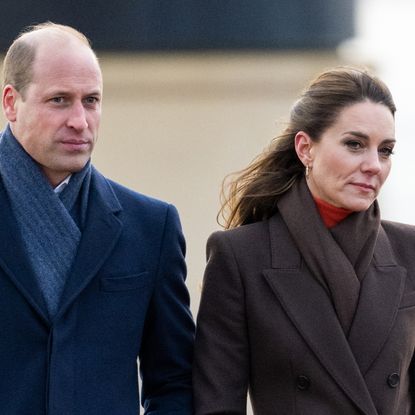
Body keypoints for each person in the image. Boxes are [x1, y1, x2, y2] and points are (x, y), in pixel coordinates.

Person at [193, 67, 415, 414]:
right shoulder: (241, 257)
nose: (374, 165)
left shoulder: (409, 251)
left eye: (385, 150)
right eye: (354, 144)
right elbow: (216, 404)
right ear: (305, 149)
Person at [0, 22, 194, 414]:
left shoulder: (151, 226)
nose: (79, 120)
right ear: (10, 103)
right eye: (59, 100)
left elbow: (175, 380)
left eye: (91, 100)